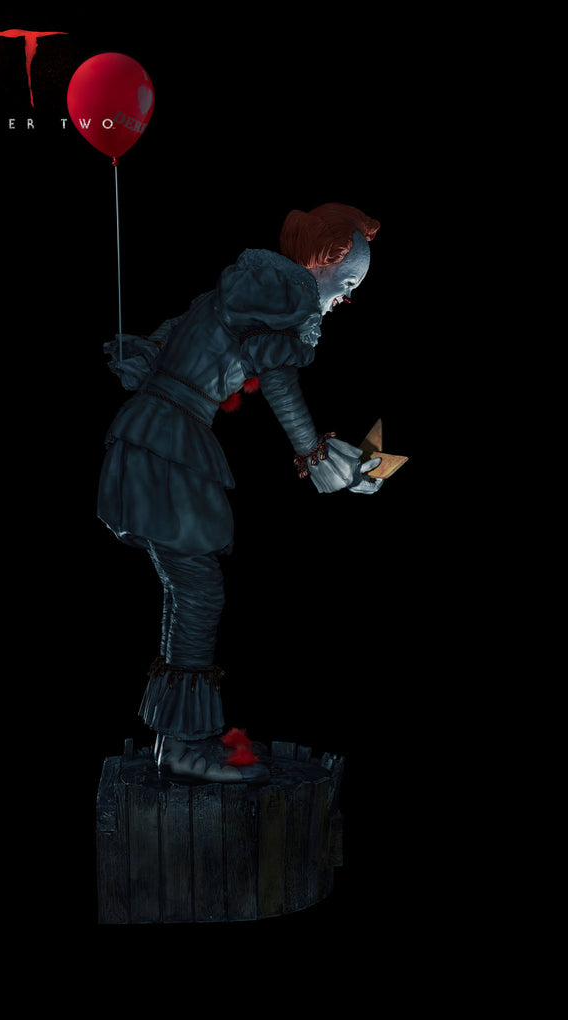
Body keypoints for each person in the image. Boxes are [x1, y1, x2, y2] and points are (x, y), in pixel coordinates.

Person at [97, 203, 382, 782]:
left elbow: (176, 332)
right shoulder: (286, 293)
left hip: (155, 434)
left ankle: (177, 740)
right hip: (168, 440)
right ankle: (184, 746)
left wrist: (145, 353)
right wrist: (318, 457)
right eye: (348, 282)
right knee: (197, 593)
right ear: (322, 261)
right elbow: (278, 382)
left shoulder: (247, 284)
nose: (347, 298)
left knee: (189, 590)